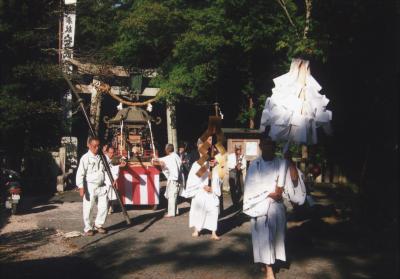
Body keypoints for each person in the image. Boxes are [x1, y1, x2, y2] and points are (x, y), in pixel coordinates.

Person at [243, 134, 298, 279]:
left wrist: (290, 160)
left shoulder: (281, 163)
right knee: (264, 237)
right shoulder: (255, 165)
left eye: (271, 144)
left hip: (276, 208)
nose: (269, 147)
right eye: (265, 144)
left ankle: (268, 262)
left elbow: (294, 179)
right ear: (261, 147)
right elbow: (250, 189)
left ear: (274, 147)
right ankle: (269, 270)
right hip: (260, 207)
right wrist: (268, 194)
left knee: (275, 238)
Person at [185, 137, 222, 241]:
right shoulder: (196, 164)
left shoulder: (213, 161)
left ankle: (214, 232)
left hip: (211, 190)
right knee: (198, 210)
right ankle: (197, 229)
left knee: (213, 210)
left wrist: (213, 185)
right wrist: (203, 186)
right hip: (200, 191)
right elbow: (194, 179)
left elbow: (217, 176)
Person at [76, 136, 107, 236]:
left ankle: (99, 224)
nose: (97, 148)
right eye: (94, 146)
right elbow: (80, 173)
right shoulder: (85, 158)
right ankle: (88, 228)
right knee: (88, 208)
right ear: (89, 145)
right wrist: (81, 187)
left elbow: (109, 167)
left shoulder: (102, 157)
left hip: (102, 185)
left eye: (98, 146)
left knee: (104, 206)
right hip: (90, 186)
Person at [152, 143, 182, 217]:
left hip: (173, 178)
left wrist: (156, 159)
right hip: (177, 178)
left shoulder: (172, 157)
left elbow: (164, 160)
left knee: (172, 196)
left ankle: (171, 213)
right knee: (173, 195)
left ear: (167, 149)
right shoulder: (176, 156)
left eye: (166, 149)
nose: (165, 150)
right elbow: (165, 160)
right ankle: (175, 211)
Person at [103, 144, 126, 214]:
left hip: (110, 178)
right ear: (106, 152)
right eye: (110, 152)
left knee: (110, 194)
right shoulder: (104, 158)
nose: (112, 154)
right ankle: (105, 208)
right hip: (104, 179)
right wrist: (118, 166)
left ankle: (110, 207)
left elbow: (113, 168)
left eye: (113, 153)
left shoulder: (112, 159)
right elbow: (108, 169)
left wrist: (119, 165)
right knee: (105, 195)